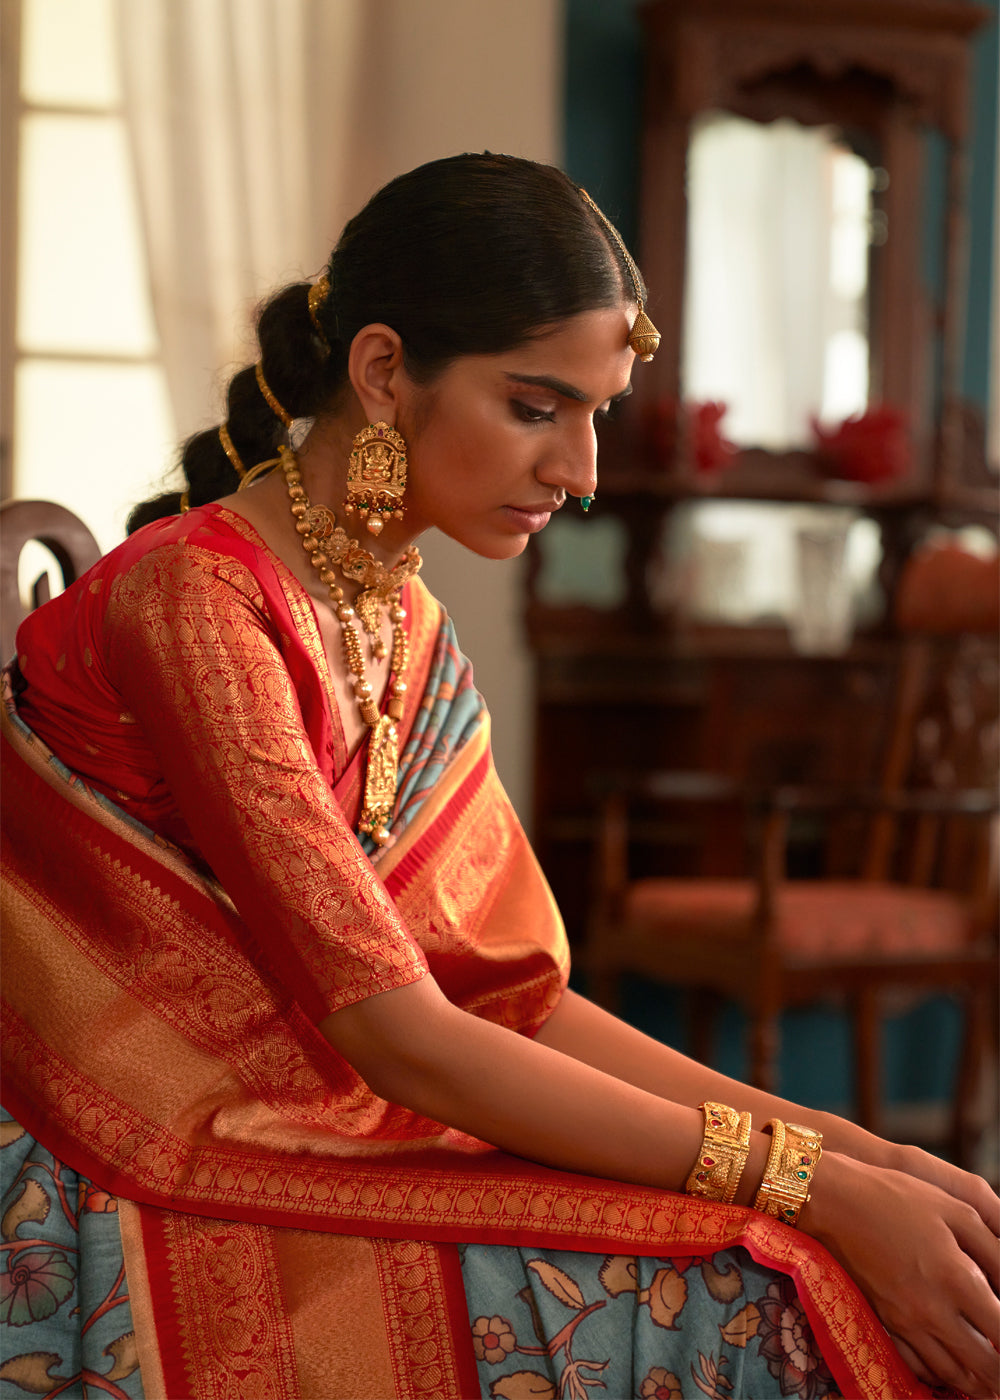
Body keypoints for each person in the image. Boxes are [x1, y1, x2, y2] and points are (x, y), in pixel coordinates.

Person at [1, 152, 997, 1400]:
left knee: (838, 1241)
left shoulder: (399, 619)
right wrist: (815, 1184)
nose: (578, 470)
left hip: (333, 1107)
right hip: (139, 1144)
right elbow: (408, 1035)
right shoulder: (198, 603)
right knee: (765, 1282)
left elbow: (510, 996)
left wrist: (859, 1155)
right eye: (536, 407)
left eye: (596, 415)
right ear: (381, 374)